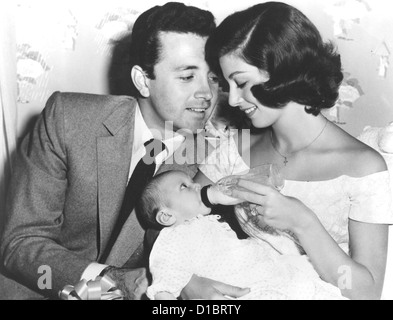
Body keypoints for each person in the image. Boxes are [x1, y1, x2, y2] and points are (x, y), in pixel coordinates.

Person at [0, 2, 244, 300]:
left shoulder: (214, 160)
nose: (206, 93)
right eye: (186, 76)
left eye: (213, 78)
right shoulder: (67, 118)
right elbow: (20, 243)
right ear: (143, 80)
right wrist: (109, 282)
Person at [196, 2, 393, 300]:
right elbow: (173, 210)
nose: (233, 100)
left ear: (283, 72)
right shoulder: (237, 149)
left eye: (241, 83)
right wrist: (189, 281)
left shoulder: (363, 167)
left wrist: (303, 222)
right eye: (227, 85)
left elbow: (366, 292)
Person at [137, 170, 346, 300]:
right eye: (185, 186)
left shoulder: (209, 221)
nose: (197, 185)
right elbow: (164, 287)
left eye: (192, 181)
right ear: (166, 216)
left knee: (313, 285)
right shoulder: (173, 240)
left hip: (268, 272)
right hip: (246, 289)